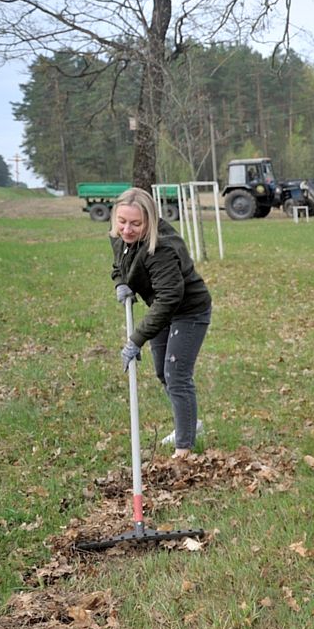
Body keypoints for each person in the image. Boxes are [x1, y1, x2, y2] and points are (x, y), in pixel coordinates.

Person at [109, 187, 212, 458]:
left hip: (188, 311)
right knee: (161, 372)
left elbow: (169, 298)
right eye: (122, 221)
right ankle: (188, 424)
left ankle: (184, 447)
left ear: (150, 221)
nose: (127, 229)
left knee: (176, 375)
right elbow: (119, 265)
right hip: (163, 309)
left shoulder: (162, 248)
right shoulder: (121, 238)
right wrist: (121, 282)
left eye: (135, 223)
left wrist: (136, 339)